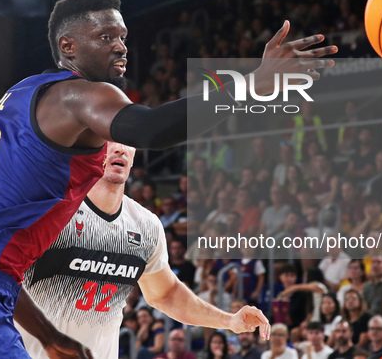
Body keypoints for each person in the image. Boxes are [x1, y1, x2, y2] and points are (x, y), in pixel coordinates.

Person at [0, 0, 335, 357]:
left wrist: (52, 335)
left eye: (123, 36)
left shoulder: (21, 95)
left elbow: (3, 268)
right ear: (68, 46)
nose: (120, 46)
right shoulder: (79, 95)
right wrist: (252, 84)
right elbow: (153, 128)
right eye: (105, 36)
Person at [17, 142, 271, 358]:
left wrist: (229, 320)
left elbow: (167, 294)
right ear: (88, 147)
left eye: (127, 141)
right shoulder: (50, 209)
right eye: (110, 140)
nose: (120, 149)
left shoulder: (146, 225)